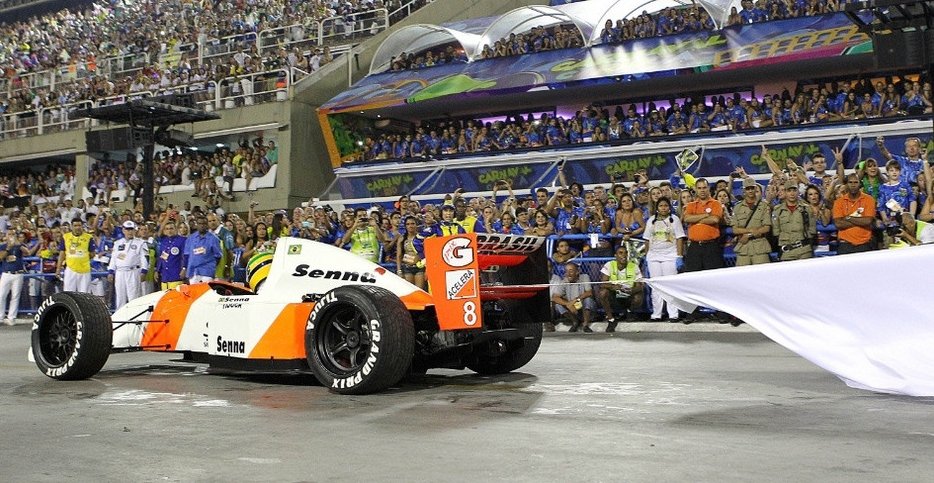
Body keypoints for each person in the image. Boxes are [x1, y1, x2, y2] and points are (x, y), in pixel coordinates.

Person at [642, 196, 685, 321]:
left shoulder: (674, 219)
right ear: (657, 208)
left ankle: (673, 314)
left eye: (666, 205)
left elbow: (680, 238)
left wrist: (679, 256)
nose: (663, 208)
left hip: (670, 256)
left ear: (669, 207)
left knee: (670, 285)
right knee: (656, 286)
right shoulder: (651, 220)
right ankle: (657, 314)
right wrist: (647, 256)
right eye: (661, 206)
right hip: (653, 257)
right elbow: (647, 239)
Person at [596, 244, 644, 332]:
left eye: (625, 253)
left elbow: (640, 286)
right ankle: (611, 319)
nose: (624, 255)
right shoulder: (609, 265)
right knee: (603, 293)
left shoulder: (634, 266)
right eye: (620, 253)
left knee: (638, 297)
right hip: (614, 295)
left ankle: (629, 312)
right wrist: (613, 287)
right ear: (615, 255)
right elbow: (603, 283)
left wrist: (631, 290)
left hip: (628, 294)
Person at [682, 178, 724, 271]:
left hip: (711, 247)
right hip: (694, 247)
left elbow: (715, 219)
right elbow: (687, 218)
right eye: (699, 188)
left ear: (708, 188)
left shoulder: (716, 203)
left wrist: (695, 220)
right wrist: (705, 215)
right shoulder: (691, 205)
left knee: (713, 275)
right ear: (696, 189)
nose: (702, 190)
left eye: (704, 187)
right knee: (692, 275)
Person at [731, 177, 772, 265]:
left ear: (755, 188)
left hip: (760, 247)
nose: (750, 191)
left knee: (762, 272)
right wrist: (750, 230)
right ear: (743, 190)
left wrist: (749, 235)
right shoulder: (737, 207)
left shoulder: (764, 206)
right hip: (743, 248)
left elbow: (766, 228)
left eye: (752, 188)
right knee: (742, 273)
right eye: (747, 188)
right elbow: (735, 230)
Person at [108, 221, 148, 309]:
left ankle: (134, 316)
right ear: (123, 230)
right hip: (119, 272)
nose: (130, 232)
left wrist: (144, 271)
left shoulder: (140, 243)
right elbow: (113, 258)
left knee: (133, 297)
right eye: (127, 229)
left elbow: (144, 258)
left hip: (133, 271)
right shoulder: (117, 243)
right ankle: (120, 316)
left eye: (131, 229)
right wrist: (111, 271)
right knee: (120, 297)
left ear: (135, 230)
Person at [833, 173, 877, 254]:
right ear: (846, 184)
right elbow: (838, 224)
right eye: (850, 182)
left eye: (856, 182)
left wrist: (848, 218)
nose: (853, 185)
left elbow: (868, 221)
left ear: (860, 184)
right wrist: (860, 221)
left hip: (864, 244)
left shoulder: (869, 200)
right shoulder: (839, 202)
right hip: (845, 244)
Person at [772, 179, 816, 261]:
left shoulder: (806, 209)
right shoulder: (777, 210)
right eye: (789, 191)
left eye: (794, 190)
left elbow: (812, 230)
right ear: (785, 192)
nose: (792, 193)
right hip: (787, 251)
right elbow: (776, 232)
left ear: (798, 191)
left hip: (804, 250)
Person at [549, 262, 595, 333]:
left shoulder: (584, 277)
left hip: (583, 305)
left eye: (571, 271)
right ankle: (575, 322)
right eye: (566, 271)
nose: (568, 274)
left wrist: (574, 301)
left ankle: (585, 325)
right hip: (572, 308)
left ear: (577, 272)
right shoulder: (564, 281)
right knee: (558, 304)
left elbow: (589, 292)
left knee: (588, 300)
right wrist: (568, 304)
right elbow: (554, 297)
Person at [57, 218, 95, 293]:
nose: (77, 227)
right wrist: (58, 268)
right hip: (70, 269)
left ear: (82, 226)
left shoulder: (89, 237)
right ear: (71, 226)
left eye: (79, 225)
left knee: (84, 294)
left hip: (85, 270)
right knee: (68, 293)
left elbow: (92, 254)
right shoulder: (65, 237)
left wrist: (82, 258)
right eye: (75, 225)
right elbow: (62, 253)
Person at [0, 231, 30, 325]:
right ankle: (0, 317)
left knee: (15, 296)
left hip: (18, 273)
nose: (11, 236)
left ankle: (11, 318)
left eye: (13, 234)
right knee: (1, 295)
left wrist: (19, 244)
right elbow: (1, 257)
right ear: (6, 236)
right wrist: (8, 248)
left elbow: (27, 252)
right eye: (9, 234)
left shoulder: (20, 246)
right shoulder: (3, 246)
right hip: (6, 273)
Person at [183, 216, 223, 283]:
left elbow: (218, 256)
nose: (202, 226)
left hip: (207, 272)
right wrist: (185, 268)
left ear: (207, 225)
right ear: (196, 224)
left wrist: (211, 266)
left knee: (207, 289)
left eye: (204, 224)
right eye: (200, 223)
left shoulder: (213, 238)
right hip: (193, 271)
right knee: (194, 289)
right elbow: (186, 255)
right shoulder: (190, 238)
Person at [396, 216, 426, 290]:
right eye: (408, 224)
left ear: (416, 225)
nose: (410, 226)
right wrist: (399, 271)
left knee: (419, 292)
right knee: (409, 291)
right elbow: (399, 255)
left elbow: (427, 253)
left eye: (412, 223)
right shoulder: (402, 238)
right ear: (405, 226)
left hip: (420, 267)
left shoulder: (422, 237)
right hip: (407, 268)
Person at [156, 220, 187, 290]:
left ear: (176, 229)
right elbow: (161, 258)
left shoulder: (183, 240)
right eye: (167, 229)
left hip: (176, 275)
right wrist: (157, 270)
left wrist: (184, 269)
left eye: (171, 228)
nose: (169, 231)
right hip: (165, 277)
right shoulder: (163, 241)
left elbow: (185, 256)